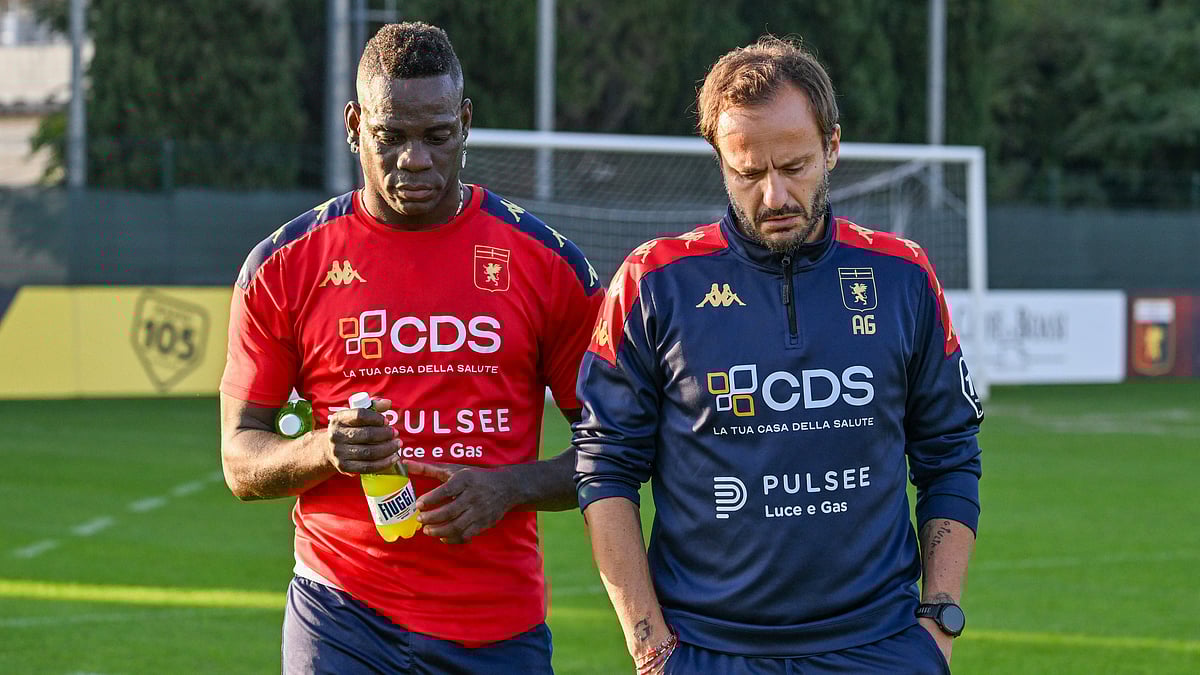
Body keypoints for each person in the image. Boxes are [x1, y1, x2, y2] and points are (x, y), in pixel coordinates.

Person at [574, 36, 983, 674]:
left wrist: (940, 618)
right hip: (708, 653)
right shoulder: (653, 281)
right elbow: (604, 470)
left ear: (833, 147)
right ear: (719, 160)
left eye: (794, 167)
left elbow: (951, 454)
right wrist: (650, 648)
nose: (774, 198)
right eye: (748, 173)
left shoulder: (903, 275)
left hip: (880, 649)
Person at [219, 22, 604, 674]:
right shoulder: (283, 266)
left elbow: (613, 447)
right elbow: (240, 456)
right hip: (339, 613)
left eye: (437, 135)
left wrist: (509, 487)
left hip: (496, 625)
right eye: (390, 136)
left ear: (466, 121)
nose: (415, 159)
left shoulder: (549, 264)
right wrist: (324, 448)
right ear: (353, 123)